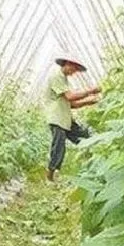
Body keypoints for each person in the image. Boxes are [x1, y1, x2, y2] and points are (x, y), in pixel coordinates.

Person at [43, 54, 101, 182]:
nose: (74, 72)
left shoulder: (64, 80)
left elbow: (72, 104)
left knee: (84, 137)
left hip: (65, 118)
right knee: (59, 147)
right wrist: (91, 91)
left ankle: (96, 165)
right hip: (57, 118)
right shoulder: (56, 76)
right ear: (67, 64)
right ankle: (50, 176)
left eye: (76, 70)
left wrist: (88, 102)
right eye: (74, 69)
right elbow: (70, 97)